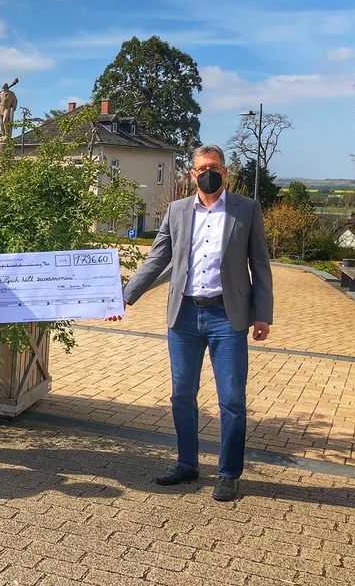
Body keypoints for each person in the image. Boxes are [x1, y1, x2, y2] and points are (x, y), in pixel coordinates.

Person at [116, 144, 272, 502]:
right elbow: (157, 258)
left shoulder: (246, 210)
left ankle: (229, 473)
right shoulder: (177, 210)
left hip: (227, 317)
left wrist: (262, 313)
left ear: (225, 172)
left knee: (232, 399)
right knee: (181, 395)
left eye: (214, 167)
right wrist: (125, 295)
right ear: (192, 174)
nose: (208, 173)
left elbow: (260, 264)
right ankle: (187, 464)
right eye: (201, 168)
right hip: (183, 315)